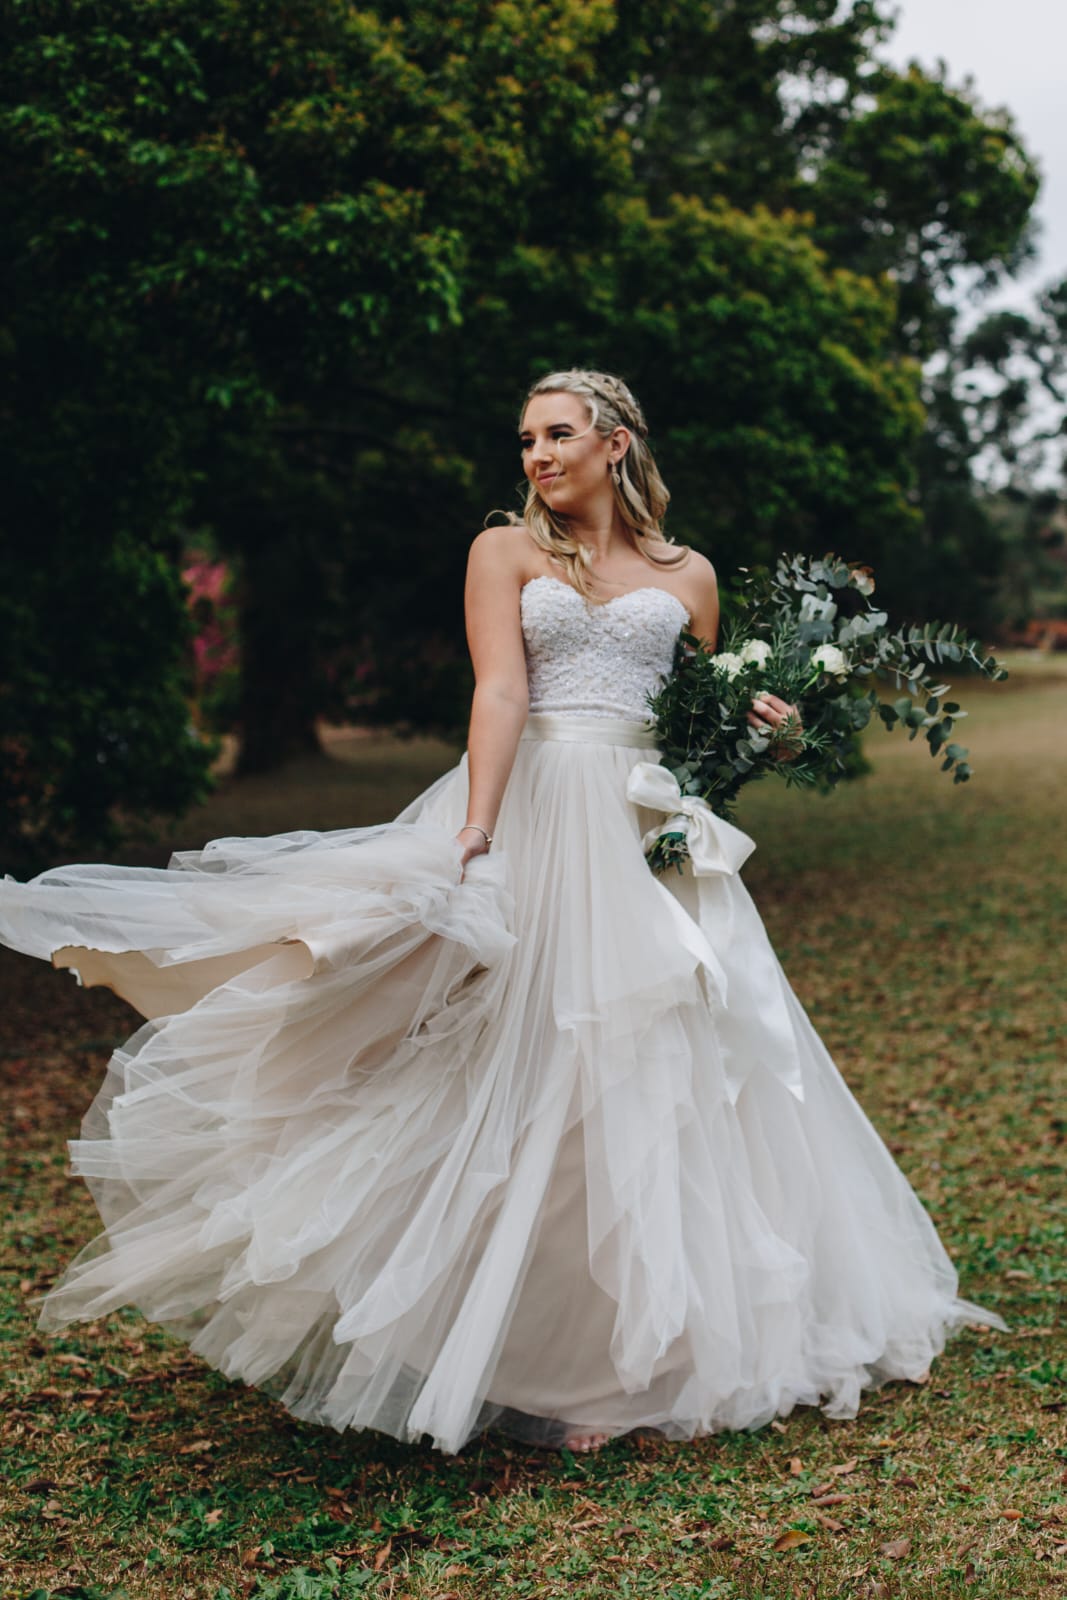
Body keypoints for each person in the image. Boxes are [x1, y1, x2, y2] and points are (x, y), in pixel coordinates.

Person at [0, 368, 1004, 1457]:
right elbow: (500, 691)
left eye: (558, 434)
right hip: (533, 813)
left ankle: (635, 1359)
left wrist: (777, 727)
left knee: (652, 1073)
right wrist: (474, 831)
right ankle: (518, 1340)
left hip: (641, 833)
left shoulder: (692, 575)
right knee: (510, 1064)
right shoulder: (505, 552)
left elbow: (705, 735)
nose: (535, 454)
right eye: (526, 437)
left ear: (616, 444)